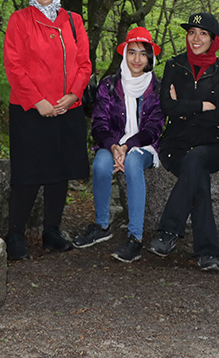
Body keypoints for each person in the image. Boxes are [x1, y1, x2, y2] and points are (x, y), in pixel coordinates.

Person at [3, 0, 92, 260]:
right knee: (27, 173)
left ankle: (51, 231)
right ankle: (15, 235)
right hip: (31, 108)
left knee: (60, 171)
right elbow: (13, 65)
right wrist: (37, 100)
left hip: (67, 107)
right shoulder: (20, 19)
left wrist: (72, 95)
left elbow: (84, 63)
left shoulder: (73, 20)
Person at [147, 12, 219, 272]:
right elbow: (166, 106)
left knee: (197, 160)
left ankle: (169, 230)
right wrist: (200, 106)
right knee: (198, 176)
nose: (195, 38)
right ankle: (208, 252)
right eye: (191, 32)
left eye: (203, 33)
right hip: (176, 146)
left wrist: (184, 109)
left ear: (213, 39)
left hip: (212, 146)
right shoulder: (174, 65)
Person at [76, 27, 165, 263]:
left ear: (150, 58)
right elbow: (99, 124)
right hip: (113, 143)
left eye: (143, 54)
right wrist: (114, 146)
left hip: (144, 146)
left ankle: (135, 237)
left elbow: (154, 127)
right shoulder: (108, 85)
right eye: (132, 52)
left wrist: (129, 146)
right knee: (101, 165)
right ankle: (102, 225)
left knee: (134, 163)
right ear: (125, 54)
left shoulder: (157, 88)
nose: (137, 59)